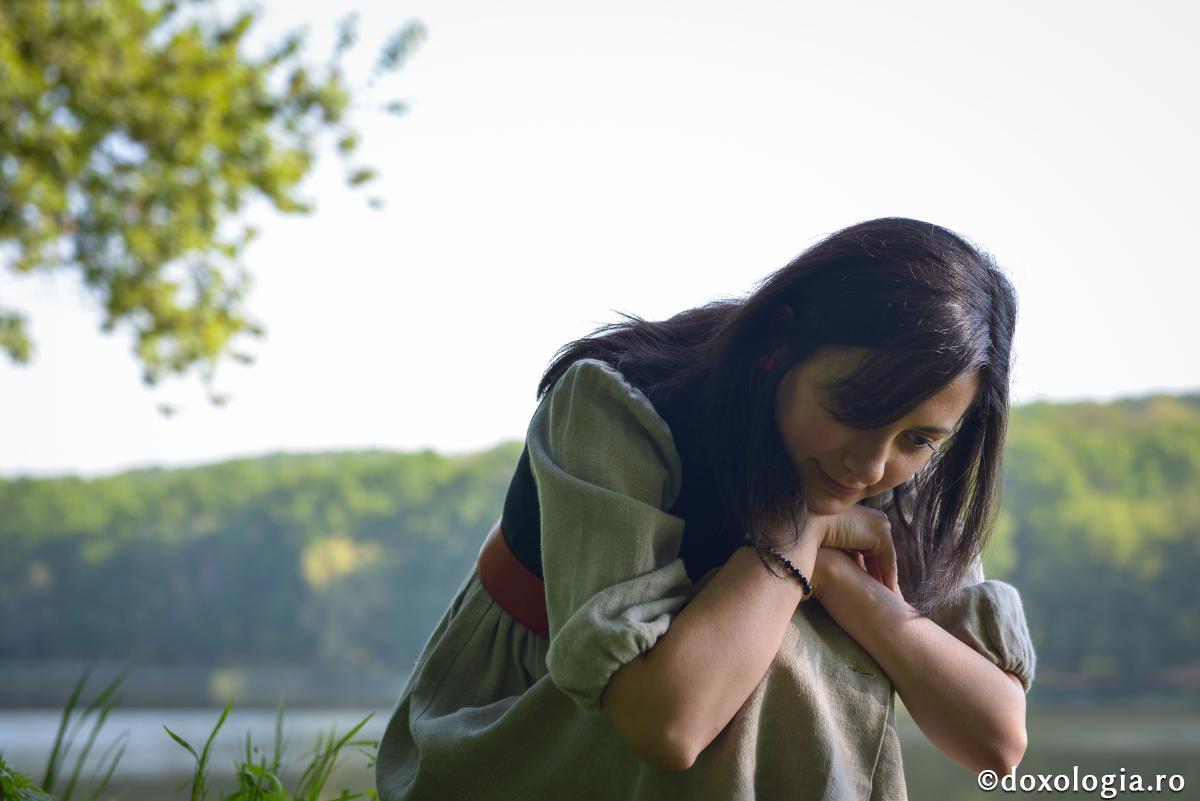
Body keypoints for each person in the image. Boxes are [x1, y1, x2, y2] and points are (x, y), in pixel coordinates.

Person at [375, 217, 1036, 801]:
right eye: (853, 408)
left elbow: (996, 739)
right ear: (778, 347)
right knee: (759, 653)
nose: (870, 466)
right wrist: (799, 539)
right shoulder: (622, 405)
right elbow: (668, 723)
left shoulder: (904, 473)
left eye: (918, 439)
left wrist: (851, 588)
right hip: (522, 732)